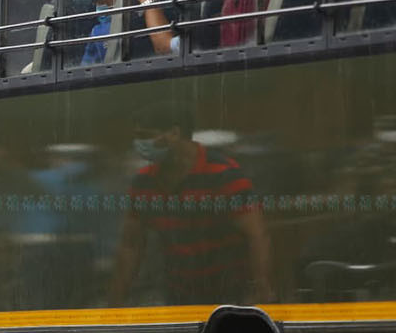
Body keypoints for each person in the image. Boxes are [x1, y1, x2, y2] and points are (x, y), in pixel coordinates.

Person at [110, 109, 273, 304]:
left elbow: (256, 236)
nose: (140, 144)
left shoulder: (222, 174)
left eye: (146, 136)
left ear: (174, 133)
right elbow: (131, 244)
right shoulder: (144, 182)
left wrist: (262, 288)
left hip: (230, 294)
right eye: (137, 137)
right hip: (179, 295)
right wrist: (116, 301)